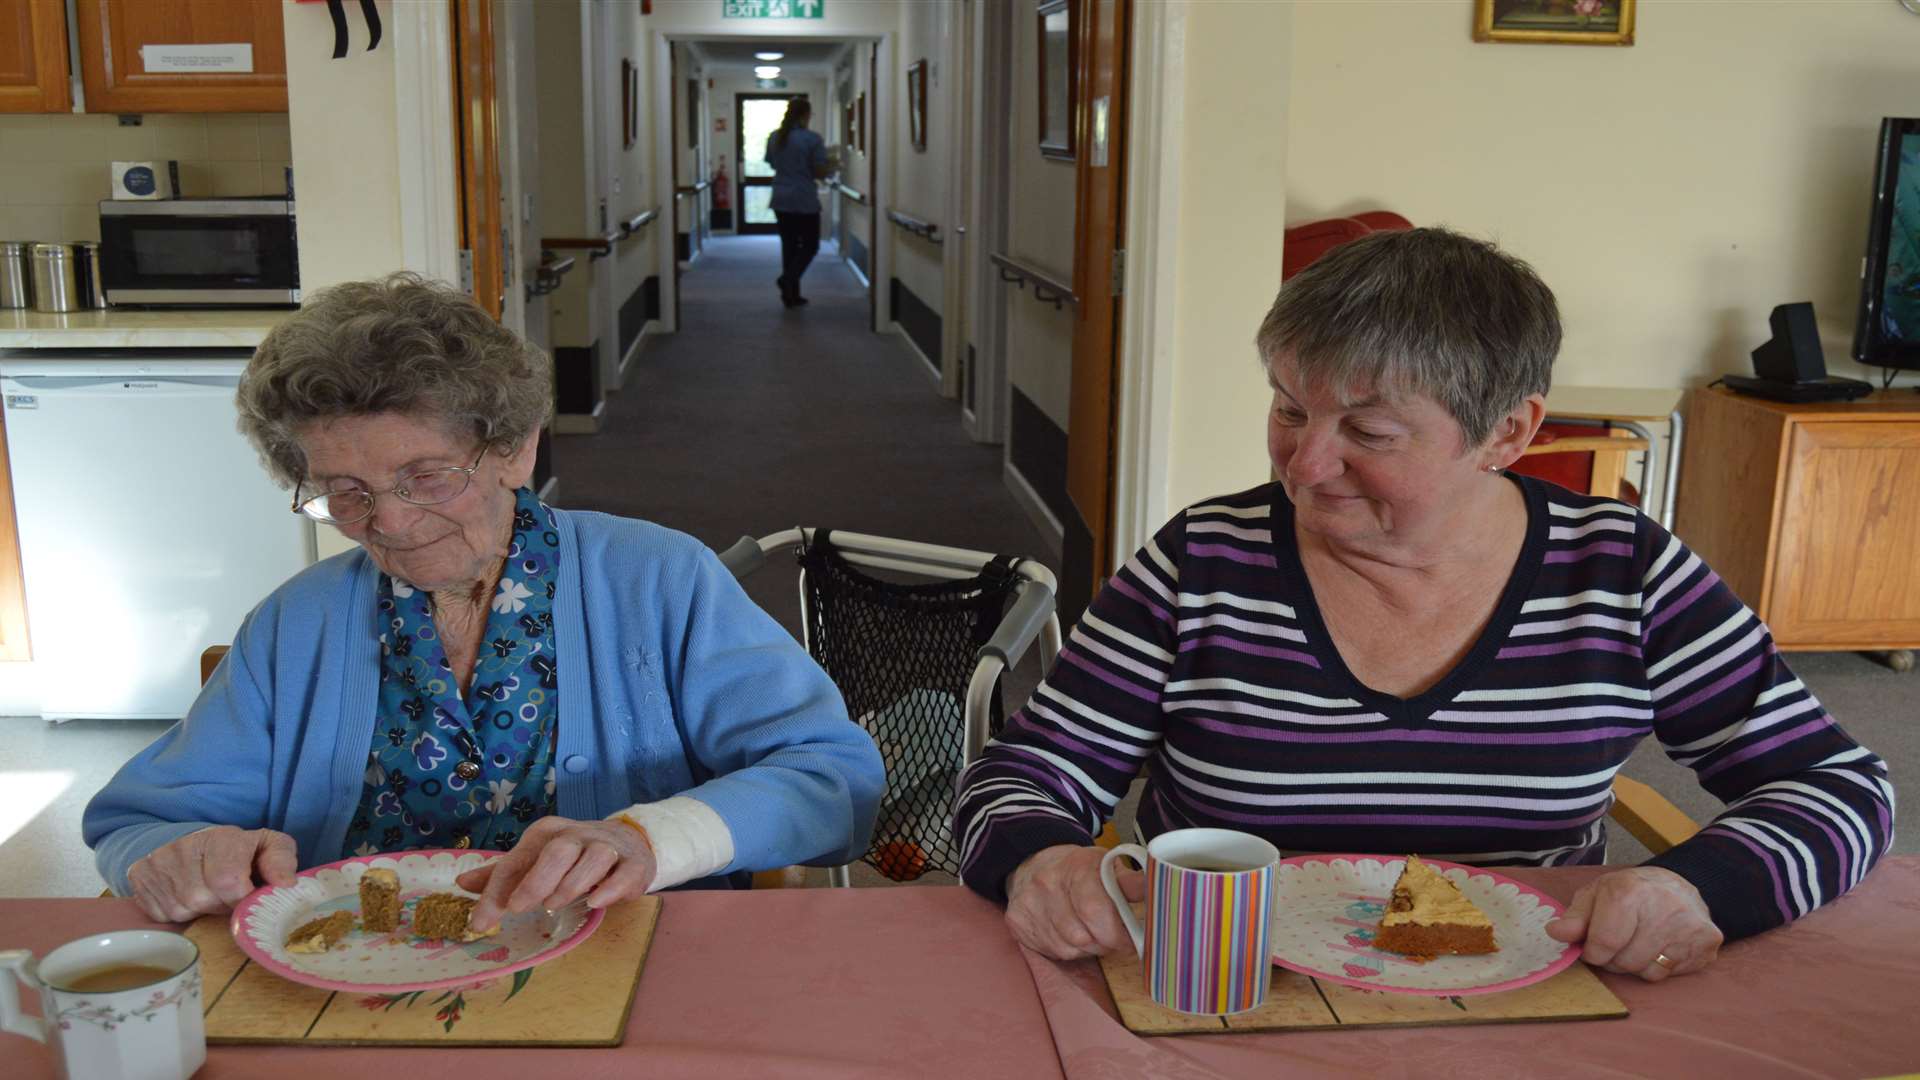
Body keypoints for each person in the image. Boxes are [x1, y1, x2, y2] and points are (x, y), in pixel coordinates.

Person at [954, 227, 1894, 982]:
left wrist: (1701, 888)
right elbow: (1023, 774)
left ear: (1509, 431)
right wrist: (1039, 859)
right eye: (1289, 409)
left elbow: (1840, 789)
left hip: (1518, 995)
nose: (1305, 464)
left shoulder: (1622, 574)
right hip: (1232, 990)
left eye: (1368, 429)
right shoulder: (1202, 561)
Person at [85, 273, 885, 929]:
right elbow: (141, 820)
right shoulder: (297, 621)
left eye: (425, 477)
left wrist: (650, 838)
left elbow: (832, 780)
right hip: (357, 979)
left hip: (625, 965)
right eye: (345, 493)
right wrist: (182, 852)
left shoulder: (658, 579)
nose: (389, 523)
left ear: (513, 449)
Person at [765, 98, 830, 308]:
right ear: (806, 115)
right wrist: (832, 167)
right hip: (804, 199)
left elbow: (773, 163)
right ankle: (788, 280)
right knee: (811, 245)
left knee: (789, 246)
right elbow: (819, 172)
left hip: (781, 197)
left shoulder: (775, 137)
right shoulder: (812, 139)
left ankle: (790, 295)